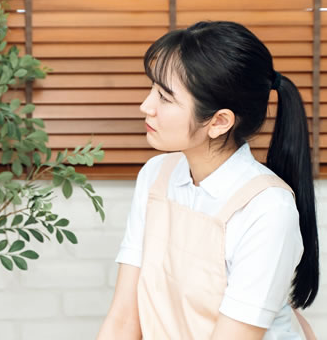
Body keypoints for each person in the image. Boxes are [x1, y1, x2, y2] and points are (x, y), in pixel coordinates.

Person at [97, 21, 319, 339]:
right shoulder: (155, 176)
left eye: (164, 97)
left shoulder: (268, 209)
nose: (146, 106)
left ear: (218, 122)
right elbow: (122, 320)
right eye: (152, 90)